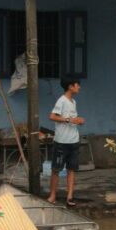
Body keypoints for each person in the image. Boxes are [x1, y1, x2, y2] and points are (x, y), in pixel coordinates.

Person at [47, 77, 85, 206]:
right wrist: (70, 120)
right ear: (70, 86)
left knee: (71, 169)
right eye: (77, 84)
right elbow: (52, 116)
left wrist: (78, 121)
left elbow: (72, 119)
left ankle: (70, 197)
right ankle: (52, 196)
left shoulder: (73, 102)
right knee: (56, 169)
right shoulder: (61, 101)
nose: (79, 87)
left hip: (73, 140)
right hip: (61, 141)